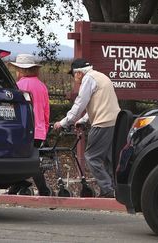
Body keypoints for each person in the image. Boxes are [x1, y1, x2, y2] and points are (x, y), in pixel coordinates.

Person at [54, 58, 120, 198]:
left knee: (92, 157)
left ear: (78, 73)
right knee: (108, 158)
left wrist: (64, 122)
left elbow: (80, 104)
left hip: (103, 122)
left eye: (73, 75)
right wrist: (83, 120)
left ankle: (107, 189)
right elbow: (100, 103)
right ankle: (116, 188)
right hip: (114, 121)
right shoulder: (100, 76)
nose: (74, 79)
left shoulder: (88, 79)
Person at [7, 53, 52, 196]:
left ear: (21, 70)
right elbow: (46, 110)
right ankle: (20, 185)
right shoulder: (42, 86)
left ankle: (27, 185)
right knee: (32, 158)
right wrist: (45, 128)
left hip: (24, 129)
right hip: (39, 130)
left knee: (17, 158)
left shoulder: (19, 86)